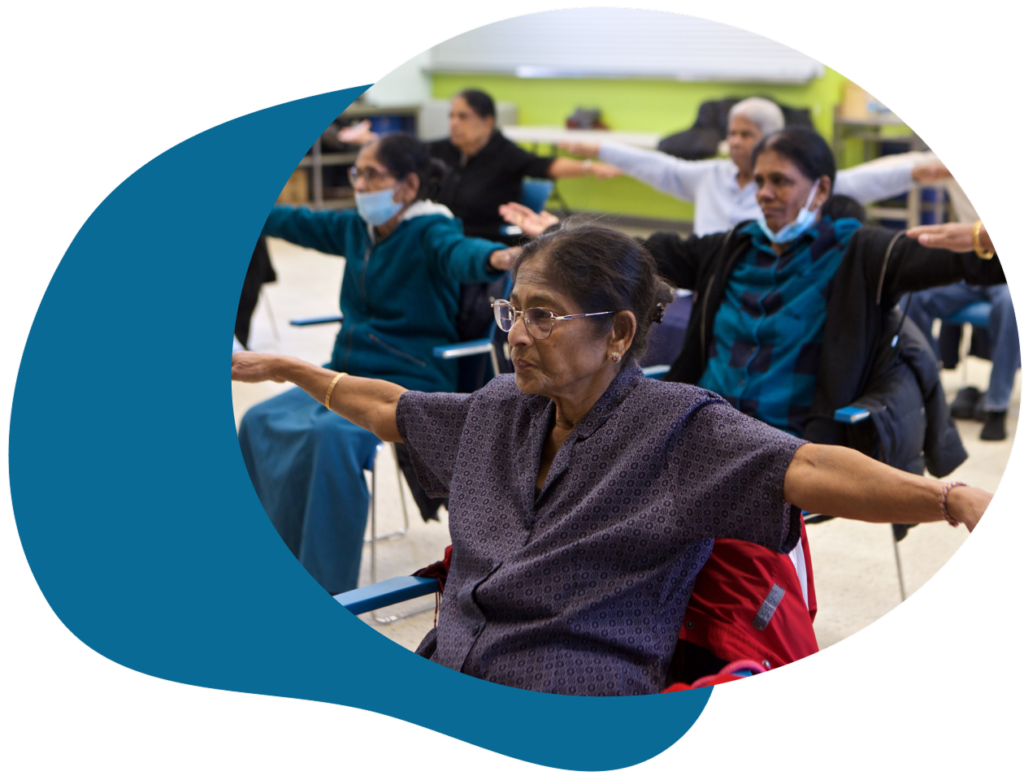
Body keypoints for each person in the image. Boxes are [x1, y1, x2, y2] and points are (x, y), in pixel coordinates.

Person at [232, 222, 991, 697]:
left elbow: (814, 469)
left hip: (579, 690)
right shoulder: (502, 407)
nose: (516, 335)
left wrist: (949, 498)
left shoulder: (681, 430)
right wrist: (301, 373)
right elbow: (389, 409)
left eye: (543, 316)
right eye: (512, 311)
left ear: (620, 333)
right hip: (454, 661)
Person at [497, 126, 1006, 675]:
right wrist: (558, 244)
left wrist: (980, 238)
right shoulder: (736, 244)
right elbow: (642, 258)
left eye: (781, 181)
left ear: (820, 189)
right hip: (696, 430)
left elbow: (975, 264)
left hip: (793, 439)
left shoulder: (863, 251)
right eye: (759, 180)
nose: (764, 191)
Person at [236, 133, 519, 596]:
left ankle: (324, 587)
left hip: (408, 379)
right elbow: (295, 221)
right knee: (259, 418)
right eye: (357, 173)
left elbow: (464, 257)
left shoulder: (432, 230)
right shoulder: (357, 230)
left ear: (407, 186)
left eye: (372, 174)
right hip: (342, 372)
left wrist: (500, 256)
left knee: (327, 439)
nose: (360, 184)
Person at [556, 97, 952, 237]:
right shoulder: (709, 175)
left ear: (772, 140)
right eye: (732, 133)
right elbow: (656, 166)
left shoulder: (799, 184)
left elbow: (861, 181)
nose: (735, 142)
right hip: (700, 287)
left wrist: (919, 168)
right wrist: (599, 148)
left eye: (746, 134)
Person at [340, 89, 621, 245]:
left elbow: (546, 165)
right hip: (438, 236)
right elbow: (405, 153)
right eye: (451, 116)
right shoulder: (443, 149)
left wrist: (589, 167)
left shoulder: (505, 154)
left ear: (487, 122)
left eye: (463, 117)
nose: (454, 123)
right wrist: (370, 140)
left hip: (481, 244)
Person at [902, 221, 1018, 441]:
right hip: (971, 268)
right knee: (914, 295)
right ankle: (927, 389)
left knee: (1009, 304)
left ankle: (997, 406)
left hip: (1003, 281)